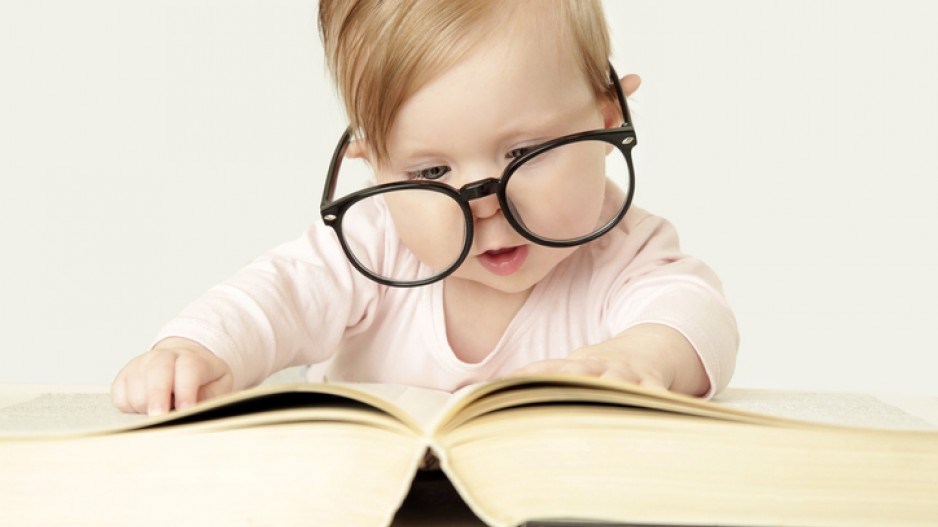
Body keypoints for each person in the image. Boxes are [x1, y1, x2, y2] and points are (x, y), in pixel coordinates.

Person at [112, 0, 738, 416]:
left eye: (525, 151)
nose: (485, 204)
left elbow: (695, 313)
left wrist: (643, 356)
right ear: (372, 161)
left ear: (608, 117)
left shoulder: (624, 251)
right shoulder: (372, 245)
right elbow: (276, 295)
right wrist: (195, 351)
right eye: (431, 172)